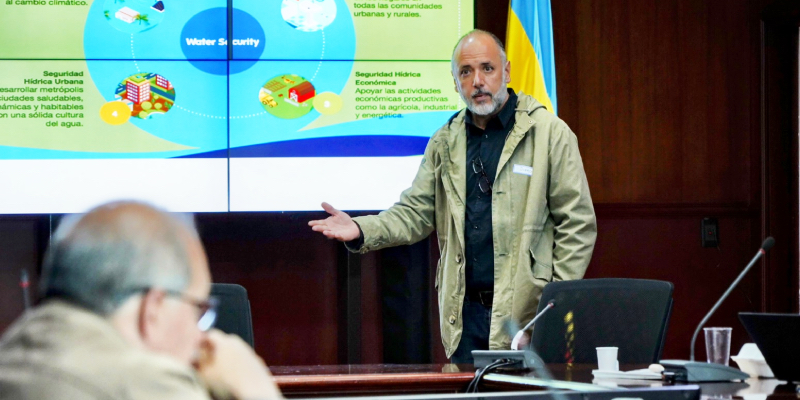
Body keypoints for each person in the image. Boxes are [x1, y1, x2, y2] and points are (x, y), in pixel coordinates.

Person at [309, 29, 597, 363]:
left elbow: (577, 225)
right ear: (455, 82)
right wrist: (361, 229)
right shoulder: (445, 140)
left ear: (506, 72)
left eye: (487, 68)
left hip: (526, 318)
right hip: (463, 317)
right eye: (466, 72)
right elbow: (415, 213)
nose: (477, 81)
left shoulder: (549, 133)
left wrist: (550, 308)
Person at [0, 201, 283, 400]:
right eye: (198, 310)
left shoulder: (13, 353)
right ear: (153, 308)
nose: (201, 337)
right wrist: (254, 387)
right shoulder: (144, 383)